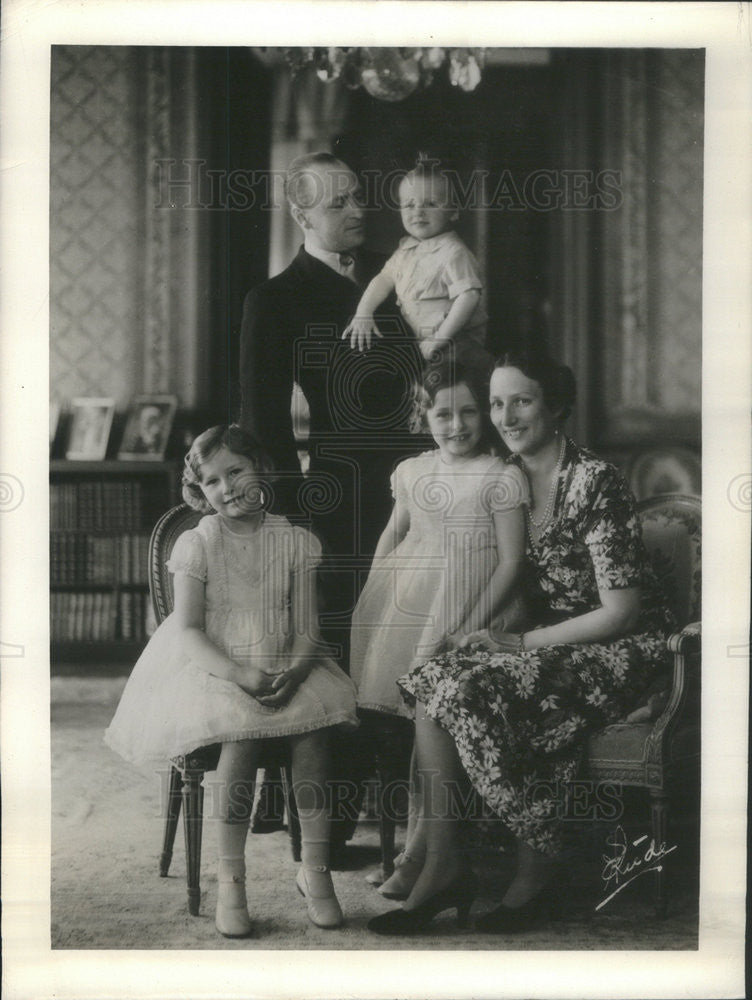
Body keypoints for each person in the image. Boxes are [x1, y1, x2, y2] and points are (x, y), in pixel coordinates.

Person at [367, 350, 676, 936]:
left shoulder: (594, 481)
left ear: (556, 407)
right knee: (431, 677)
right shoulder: (498, 472)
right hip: (548, 642)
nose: (506, 415)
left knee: (465, 684)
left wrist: (518, 643)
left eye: (523, 400)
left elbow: (620, 612)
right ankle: (444, 863)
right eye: (498, 402)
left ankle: (538, 867)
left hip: (622, 646)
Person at [104, 425, 358, 937]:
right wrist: (238, 673)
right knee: (240, 737)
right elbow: (189, 632)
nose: (226, 488)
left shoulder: (294, 540)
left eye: (235, 471)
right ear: (201, 489)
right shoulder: (199, 544)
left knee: (313, 738)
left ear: (260, 469)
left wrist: (299, 668)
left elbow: (309, 627)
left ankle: (315, 870)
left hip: (286, 661)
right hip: (216, 667)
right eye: (212, 480)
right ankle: (232, 880)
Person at [238, 151, 420, 857]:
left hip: (410, 481)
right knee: (336, 649)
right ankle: (325, 825)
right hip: (333, 500)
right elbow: (262, 424)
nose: (356, 210)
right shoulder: (276, 298)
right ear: (301, 214)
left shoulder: (397, 274)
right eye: (338, 202)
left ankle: (416, 809)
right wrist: (287, 518)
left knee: (409, 637)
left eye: (356, 198)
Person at [350, 361, 528, 719]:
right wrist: (374, 588)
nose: (458, 425)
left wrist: (468, 627)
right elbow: (395, 530)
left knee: (447, 701)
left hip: (477, 599)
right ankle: (402, 769)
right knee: (397, 697)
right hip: (412, 596)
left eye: (469, 412)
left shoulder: (500, 476)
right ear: (423, 416)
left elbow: (512, 560)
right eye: (444, 415)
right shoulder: (412, 471)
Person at [343, 160, 493, 378]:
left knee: (457, 389)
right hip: (423, 343)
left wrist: (439, 339)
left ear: (453, 211)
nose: (418, 212)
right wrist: (364, 312)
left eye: (431, 204)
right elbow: (384, 279)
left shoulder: (454, 252)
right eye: (409, 205)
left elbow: (468, 296)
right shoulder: (406, 250)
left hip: (455, 342)